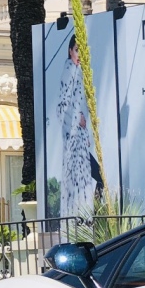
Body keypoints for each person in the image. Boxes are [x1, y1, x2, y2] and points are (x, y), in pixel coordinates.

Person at [56, 34, 97, 218]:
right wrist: (77, 120)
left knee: (89, 179)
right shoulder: (69, 70)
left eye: (82, 50)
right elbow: (62, 107)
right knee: (78, 181)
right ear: (70, 50)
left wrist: (85, 131)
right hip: (73, 141)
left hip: (79, 139)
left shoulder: (77, 71)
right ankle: (84, 218)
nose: (79, 54)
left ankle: (87, 216)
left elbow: (80, 106)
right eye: (77, 50)